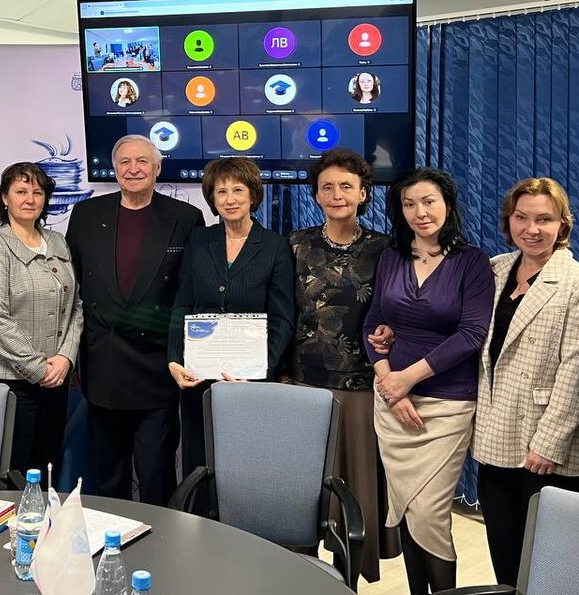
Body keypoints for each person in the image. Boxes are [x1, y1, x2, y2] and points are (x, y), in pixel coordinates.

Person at [362, 167, 493, 595]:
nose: (420, 212)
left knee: (429, 512)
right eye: (409, 204)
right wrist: (389, 383)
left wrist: (407, 379)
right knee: (405, 508)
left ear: (448, 205)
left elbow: (471, 335)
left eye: (429, 201)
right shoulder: (391, 257)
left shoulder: (472, 262)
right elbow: (373, 322)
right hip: (392, 403)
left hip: (447, 405)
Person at [471, 178, 579, 584]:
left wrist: (548, 444)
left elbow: (575, 371)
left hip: (544, 445)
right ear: (508, 221)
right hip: (496, 434)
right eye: (521, 217)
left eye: (544, 219)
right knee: (504, 553)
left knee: (549, 563)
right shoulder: (495, 269)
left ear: (562, 224)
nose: (531, 229)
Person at [66, 135, 204, 505]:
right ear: (114, 169)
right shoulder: (86, 215)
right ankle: (112, 536)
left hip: (157, 366)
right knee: (109, 474)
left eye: (142, 161)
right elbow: (72, 288)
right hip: (103, 364)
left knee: (157, 473)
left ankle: (160, 537)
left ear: (157, 168)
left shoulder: (185, 218)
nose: (133, 169)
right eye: (124, 162)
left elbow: (189, 295)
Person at [286, 147, 394, 583]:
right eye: (327, 187)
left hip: (361, 386)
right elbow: (283, 312)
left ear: (363, 193)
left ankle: (346, 580)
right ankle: (299, 577)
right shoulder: (295, 245)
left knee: (354, 490)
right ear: (316, 194)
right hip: (302, 383)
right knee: (303, 490)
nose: (336, 195)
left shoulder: (385, 249)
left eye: (346, 186)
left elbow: (396, 311)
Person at [167, 157, 295, 477]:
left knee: (247, 467)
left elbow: (282, 317)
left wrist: (261, 368)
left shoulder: (275, 246)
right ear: (212, 199)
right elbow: (182, 305)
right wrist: (175, 359)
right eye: (221, 192)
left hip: (250, 381)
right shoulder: (199, 240)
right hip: (199, 378)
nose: (230, 199)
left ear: (253, 195)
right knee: (200, 465)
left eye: (238, 190)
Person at [0, 162, 82, 473]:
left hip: (56, 379)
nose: (30, 199)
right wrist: (38, 368)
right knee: (13, 471)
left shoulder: (58, 242)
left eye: (37, 192)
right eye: (21, 192)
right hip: (10, 382)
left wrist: (65, 358)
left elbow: (76, 306)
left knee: (47, 467)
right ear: (4, 198)